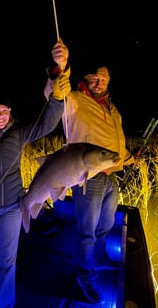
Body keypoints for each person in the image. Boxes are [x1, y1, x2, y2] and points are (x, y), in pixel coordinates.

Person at [0, 78, 70, 308]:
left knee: (8, 263)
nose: (0, 116)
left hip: (13, 208)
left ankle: (5, 305)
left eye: (4, 111)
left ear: (10, 113)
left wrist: (56, 99)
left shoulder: (19, 133)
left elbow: (46, 124)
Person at [44, 39, 135, 305]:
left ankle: (98, 258)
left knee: (106, 226)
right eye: (94, 77)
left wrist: (129, 159)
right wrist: (59, 69)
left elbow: (115, 143)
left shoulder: (112, 109)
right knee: (87, 231)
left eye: (104, 77)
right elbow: (56, 94)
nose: (99, 82)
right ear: (85, 78)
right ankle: (85, 274)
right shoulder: (76, 101)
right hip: (87, 178)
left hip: (111, 177)